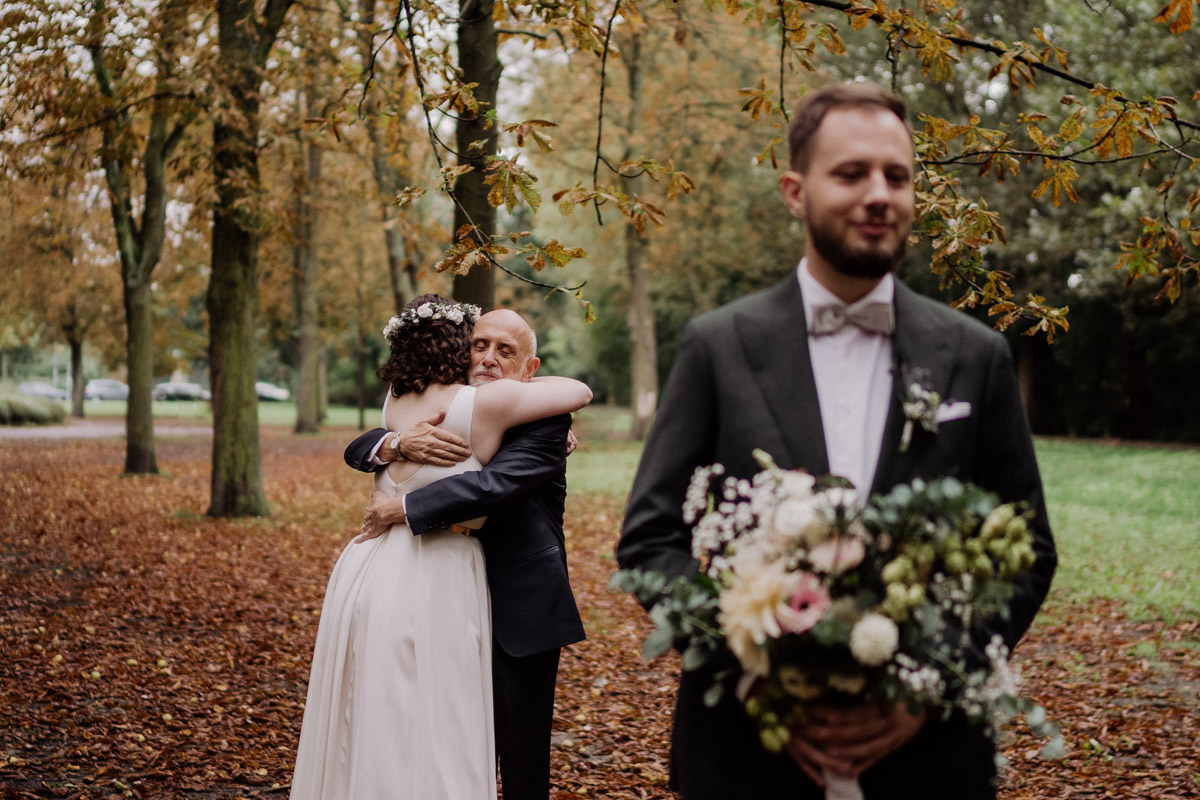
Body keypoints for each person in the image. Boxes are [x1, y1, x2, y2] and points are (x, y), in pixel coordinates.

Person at [616, 82, 1057, 800]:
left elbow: (1029, 549)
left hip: (930, 762)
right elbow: (649, 539)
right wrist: (748, 664)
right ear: (795, 191)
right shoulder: (717, 346)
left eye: (897, 175)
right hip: (748, 756)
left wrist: (927, 686)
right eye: (851, 173)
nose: (879, 194)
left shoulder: (976, 354)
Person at [290, 296, 591, 800]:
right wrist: (393, 444)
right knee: (429, 730)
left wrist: (402, 508)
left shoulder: (545, 419)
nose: (489, 358)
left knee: (520, 756)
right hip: (439, 590)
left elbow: (494, 486)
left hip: (519, 599)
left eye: (505, 350)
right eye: (480, 345)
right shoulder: (431, 406)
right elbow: (362, 442)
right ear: (461, 350)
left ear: (529, 367)